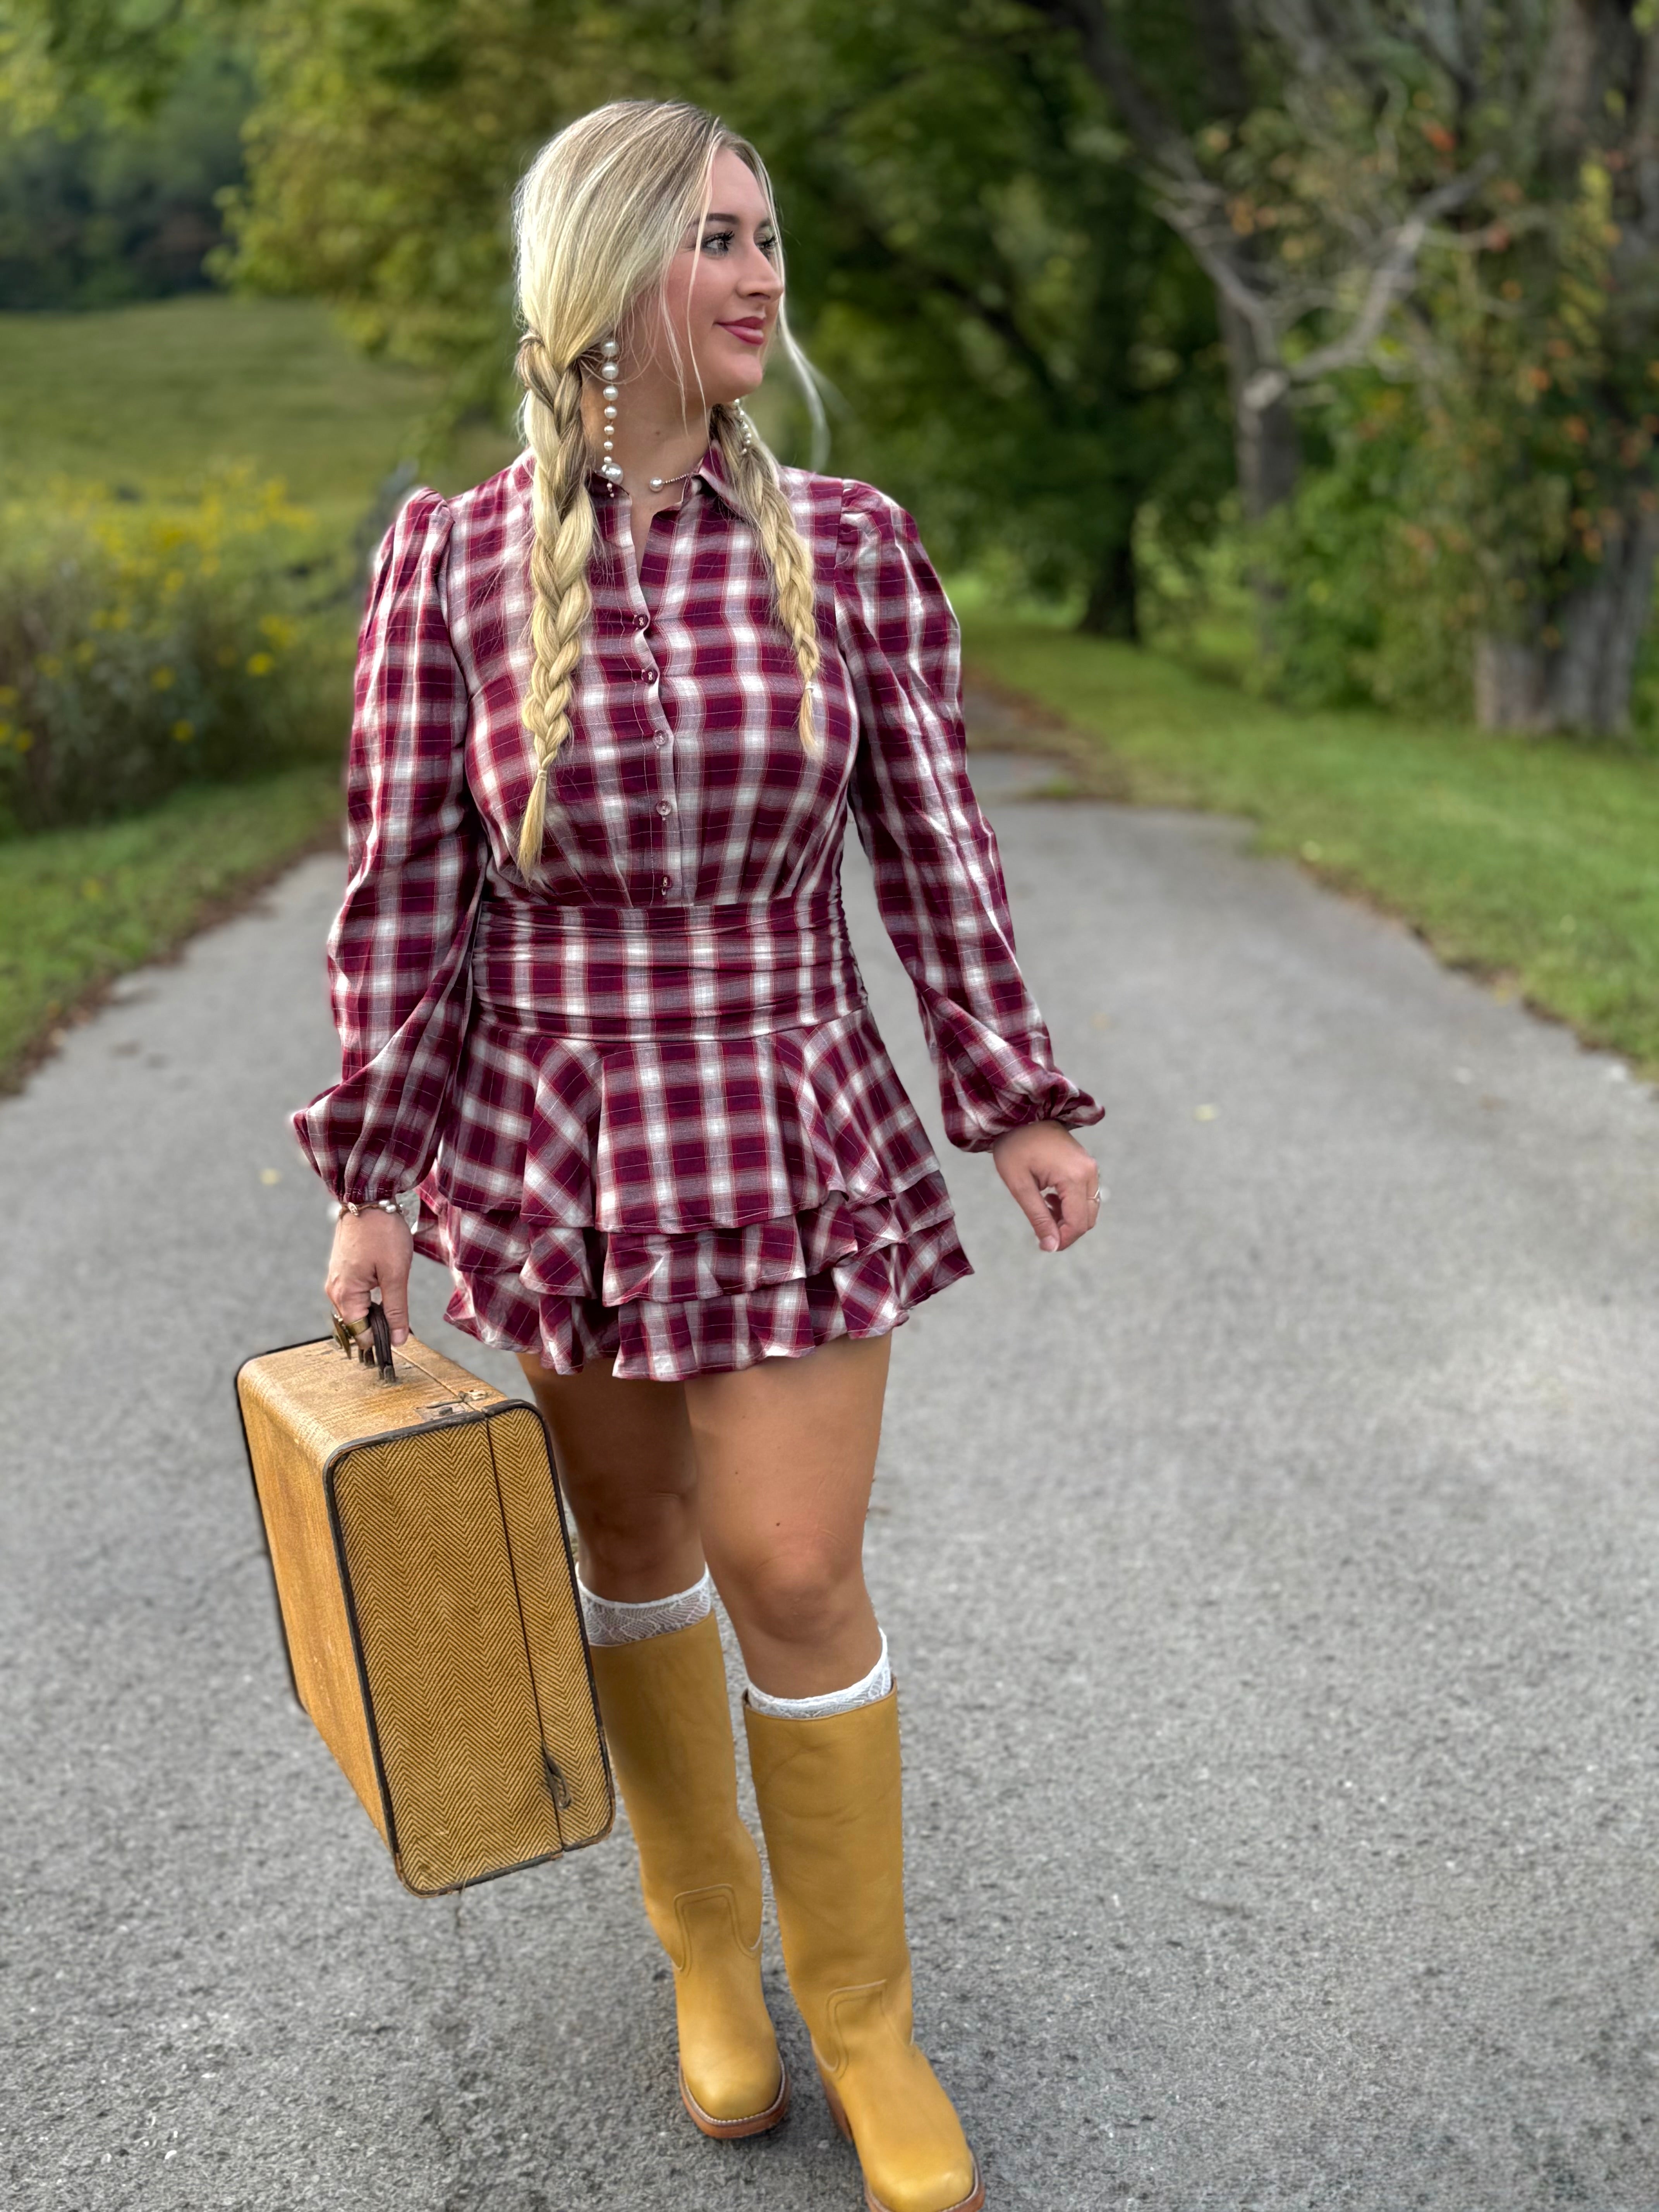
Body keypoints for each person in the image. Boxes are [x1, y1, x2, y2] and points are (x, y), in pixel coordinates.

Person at [295, 98, 1101, 2212]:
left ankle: (869, 2023)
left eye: (770, 241)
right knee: (636, 1559)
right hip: (557, 1140)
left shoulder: (845, 544)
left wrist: (1006, 1088)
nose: (761, 279)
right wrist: (370, 1176)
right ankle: (707, 1963)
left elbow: (937, 846)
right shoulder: (450, 564)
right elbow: (404, 894)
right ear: (612, 271)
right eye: (719, 239)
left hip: (787, 1107)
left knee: (793, 1562)